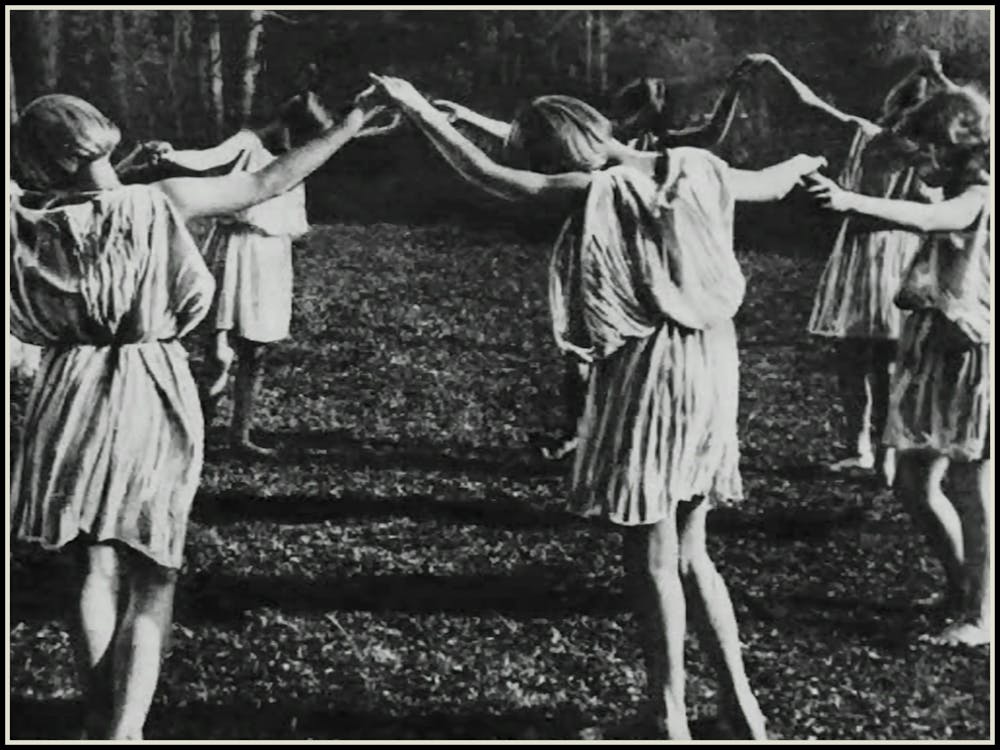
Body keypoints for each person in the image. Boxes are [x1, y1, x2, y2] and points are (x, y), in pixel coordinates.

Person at [369, 73, 827, 739]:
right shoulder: (697, 167)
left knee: (651, 553)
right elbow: (773, 180)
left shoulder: (595, 191)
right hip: (713, 364)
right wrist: (805, 162)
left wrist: (417, 110)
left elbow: (495, 176)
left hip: (650, 369)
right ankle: (743, 710)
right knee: (694, 552)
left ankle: (666, 715)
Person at [9, 89, 386, 739]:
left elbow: (90, 203)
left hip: (65, 388)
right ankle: (122, 731)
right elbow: (270, 180)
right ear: (99, 131)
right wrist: (348, 126)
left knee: (88, 564)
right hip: (147, 382)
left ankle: (103, 720)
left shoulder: (27, 220)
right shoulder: (165, 200)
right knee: (153, 569)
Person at [433, 56, 759, 462]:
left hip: (632, 260)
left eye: (647, 106)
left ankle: (604, 431)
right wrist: (466, 117)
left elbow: (711, 133)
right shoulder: (605, 144)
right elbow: (526, 138)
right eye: (635, 107)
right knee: (580, 352)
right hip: (594, 253)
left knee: (615, 347)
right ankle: (577, 431)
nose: (638, 115)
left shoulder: (663, 149)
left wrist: (732, 93)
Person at [808, 85, 990, 647]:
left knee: (971, 484)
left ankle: (982, 615)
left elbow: (925, 220)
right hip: (935, 348)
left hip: (971, 354)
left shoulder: (980, 195)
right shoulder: (952, 191)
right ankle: (962, 585)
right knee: (913, 481)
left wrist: (852, 201)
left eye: (929, 150)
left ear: (958, 147)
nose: (920, 162)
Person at [750, 50, 955, 485]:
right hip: (868, 254)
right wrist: (775, 64)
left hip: (882, 256)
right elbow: (810, 104)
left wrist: (774, 64)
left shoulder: (907, 151)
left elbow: (934, 208)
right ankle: (865, 451)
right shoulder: (879, 138)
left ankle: (875, 455)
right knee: (865, 360)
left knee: (873, 362)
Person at [159, 92, 400, 456]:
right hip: (237, 246)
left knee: (256, 351)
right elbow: (207, 158)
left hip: (272, 254)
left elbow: (345, 137)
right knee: (218, 354)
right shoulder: (248, 143)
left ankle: (240, 435)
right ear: (286, 126)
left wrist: (386, 120)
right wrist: (168, 154)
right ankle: (198, 433)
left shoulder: (303, 148)